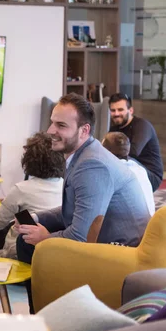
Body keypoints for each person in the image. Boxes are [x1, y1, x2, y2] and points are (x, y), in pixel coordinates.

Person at [16, 93, 150, 313]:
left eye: (61, 125)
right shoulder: (84, 153)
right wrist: (37, 218)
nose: (50, 131)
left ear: (84, 130)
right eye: (52, 122)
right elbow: (73, 210)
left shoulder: (92, 166)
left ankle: (45, 314)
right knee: (28, 236)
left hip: (116, 252)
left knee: (29, 244)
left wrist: (45, 238)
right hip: (100, 237)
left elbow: (81, 236)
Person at [109, 93, 163, 191]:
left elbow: (133, 152)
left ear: (131, 110)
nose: (116, 114)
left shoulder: (142, 126)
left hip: (151, 176)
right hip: (130, 171)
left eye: (120, 110)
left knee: (125, 161)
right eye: (113, 110)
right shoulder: (113, 129)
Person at [102, 132, 155, 216]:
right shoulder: (140, 169)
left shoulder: (111, 172)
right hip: (150, 224)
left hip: (130, 227)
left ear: (106, 151)